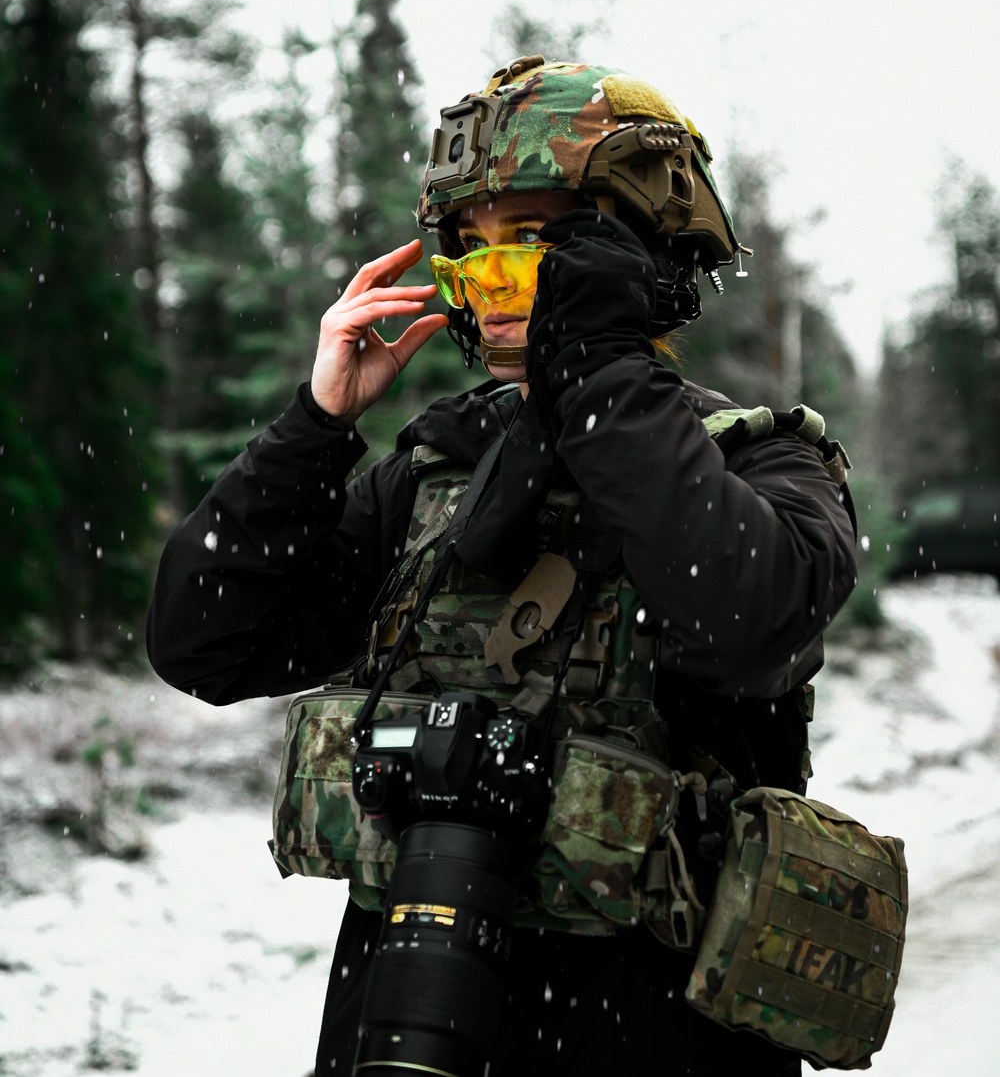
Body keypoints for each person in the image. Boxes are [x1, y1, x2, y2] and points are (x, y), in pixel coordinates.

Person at [148, 56, 857, 1077]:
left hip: (654, 1034)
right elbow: (204, 644)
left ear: (636, 249)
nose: (488, 279)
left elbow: (743, 625)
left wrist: (604, 371)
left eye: (529, 242)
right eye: (469, 248)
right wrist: (315, 427)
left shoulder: (760, 460)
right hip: (408, 1018)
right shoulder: (434, 473)